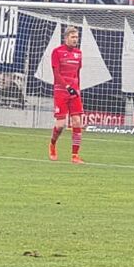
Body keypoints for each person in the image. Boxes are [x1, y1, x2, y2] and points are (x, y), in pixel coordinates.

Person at [48, 27, 85, 164]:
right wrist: (67, 87)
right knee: (60, 125)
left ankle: (75, 155)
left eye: (76, 37)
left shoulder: (78, 53)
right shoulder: (57, 52)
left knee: (77, 122)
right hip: (61, 90)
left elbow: (77, 74)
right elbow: (56, 74)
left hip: (74, 92)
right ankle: (52, 144)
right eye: (73, 37)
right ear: (66, 38)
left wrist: (77, 88)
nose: (75, 39)